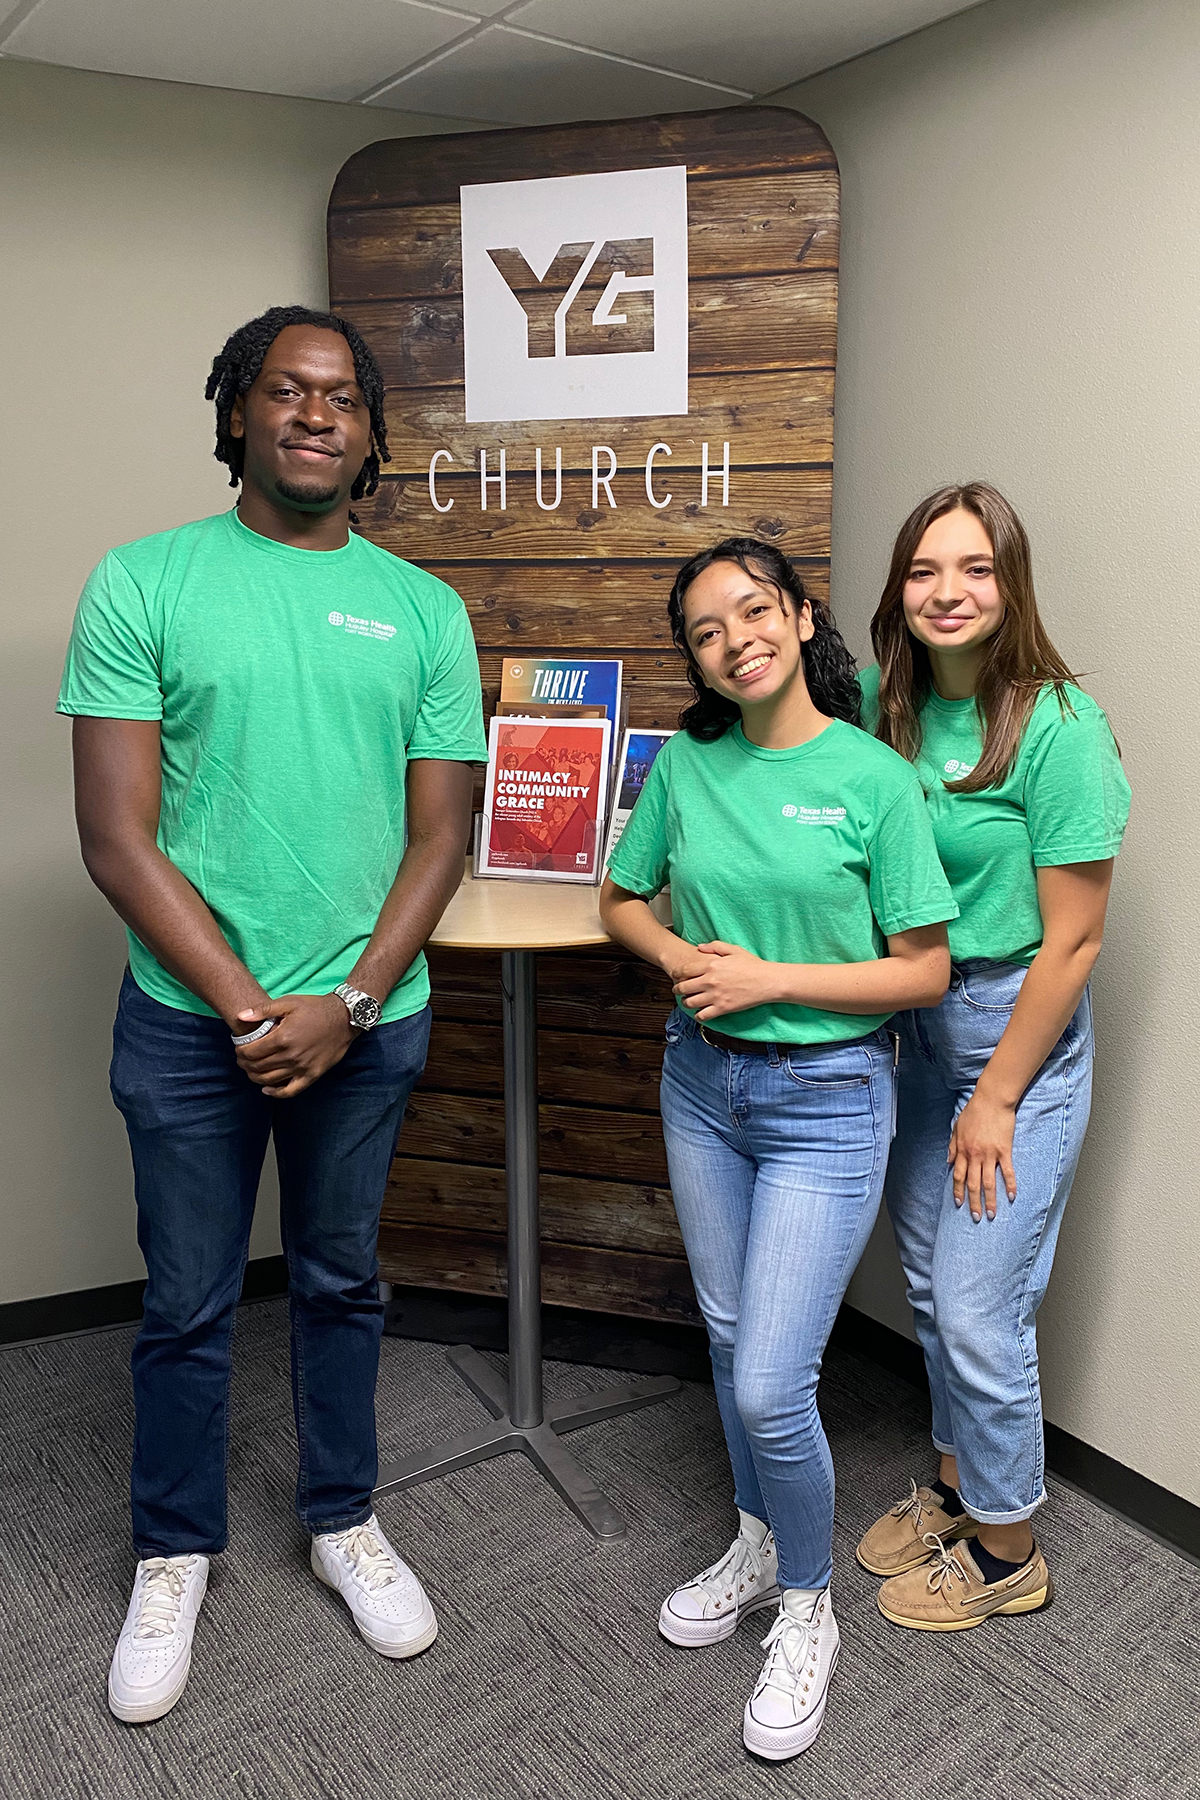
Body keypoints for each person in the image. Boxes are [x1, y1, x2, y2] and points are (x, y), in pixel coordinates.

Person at [57, 305, 486, 1723]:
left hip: (367, 1021)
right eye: (286, 390)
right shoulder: (144, 581)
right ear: (237, 410)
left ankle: (343, 1519)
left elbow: (441, 838)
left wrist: (349, 1003)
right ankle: (173, 1548)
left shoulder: (423, 609)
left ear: (370, 434)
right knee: (187, 1302)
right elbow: (116, 836)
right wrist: (252, 1013)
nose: (315, 413)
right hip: (192, 1025)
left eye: (342, 396)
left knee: (342, 1282)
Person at [599, 537, 957, 1761]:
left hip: (828, 1101)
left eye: (754, 612)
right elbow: (622, 898)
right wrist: (678, 959)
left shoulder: (874, 780)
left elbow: (924, 970)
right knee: (729, 1335)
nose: (734, 641)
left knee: (769, 1381)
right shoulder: (686, 764)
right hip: (702, 1088)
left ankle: (808, 1602)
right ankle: (758, 1543)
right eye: (705, 631)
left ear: (803, 618)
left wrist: (770, 979)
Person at [854, 483, 1130, 1630]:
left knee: (980, 1307)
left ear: (1010, 584)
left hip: (1015, 1040)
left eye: (974, 568)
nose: (948, 592)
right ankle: (957, 1487)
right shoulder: (884, 706)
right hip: (915, 1030)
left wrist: (998, 1097)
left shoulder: (1060, 725)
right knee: (931, 1284)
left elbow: (1076, 942)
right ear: (899, 590)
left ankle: (1010, 1549)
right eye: (925, 570)